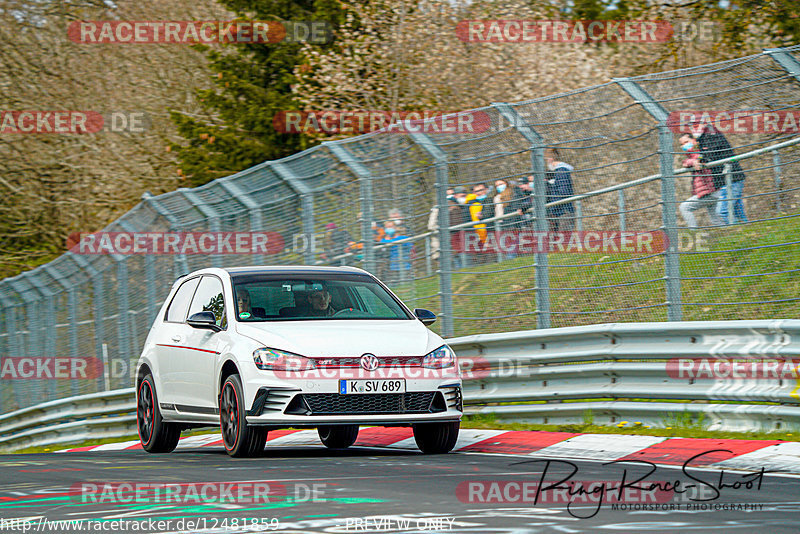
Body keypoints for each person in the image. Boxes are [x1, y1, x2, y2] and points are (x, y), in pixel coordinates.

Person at [692, 122, 747, 223]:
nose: (693, 128)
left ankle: (737, 233)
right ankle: (746, 231)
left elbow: (711, 153)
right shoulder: (703, 138)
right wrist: (699, 159)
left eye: (696, 125)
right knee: (738, 211)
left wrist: (701, 160)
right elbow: (703, 153)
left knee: (723, 211)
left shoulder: (712, 134)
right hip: (726, 180)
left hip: (732, 178)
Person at [678, 133, 724, 228]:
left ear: (694, 141)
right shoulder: (691, 157)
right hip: (710, 191)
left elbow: (699, 158)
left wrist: (693, 161)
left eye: (687, 142)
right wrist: (690, 162)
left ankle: (694, 231)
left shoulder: (700, 152)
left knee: (684, 207)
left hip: (710, 191)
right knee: (714, 217)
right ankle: (728, 232)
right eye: (682, 144)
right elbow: (687, 162)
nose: (684, 145)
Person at [544, 148, 575, 232]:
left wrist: (554, 209)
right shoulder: (558, 172)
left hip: (563, 211)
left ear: (550, 159)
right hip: (559, 212)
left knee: (563, 240)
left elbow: (563, 191)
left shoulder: (561, 171)